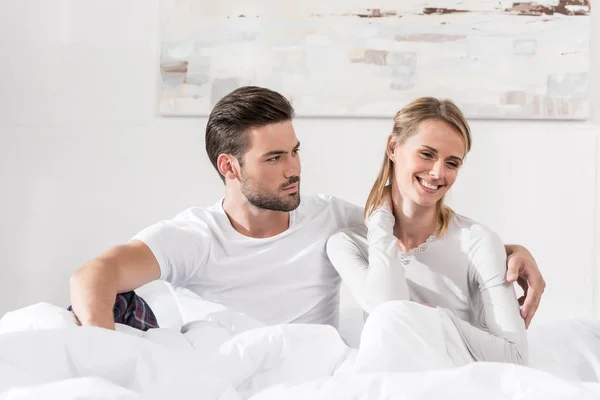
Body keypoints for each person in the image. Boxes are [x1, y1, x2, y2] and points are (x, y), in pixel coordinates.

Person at [68, 86, 545, 333]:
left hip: (311, 377)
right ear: (229, 166)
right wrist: (104, 358)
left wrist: (510, 249)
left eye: (295, 151)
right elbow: (94, 276)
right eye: (274, 158)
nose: (293, 168)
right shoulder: (195, 236)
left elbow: (422, 233)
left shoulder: (328, 217)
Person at [326, 97, 527, 372]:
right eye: (427, 154)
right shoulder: (346, 244)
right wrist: (380, 217)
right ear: (393, 148)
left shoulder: (477, 242)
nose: (437, 173)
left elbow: (515, 357)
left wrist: (435, 320)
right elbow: (389, 309)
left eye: (452, 163)